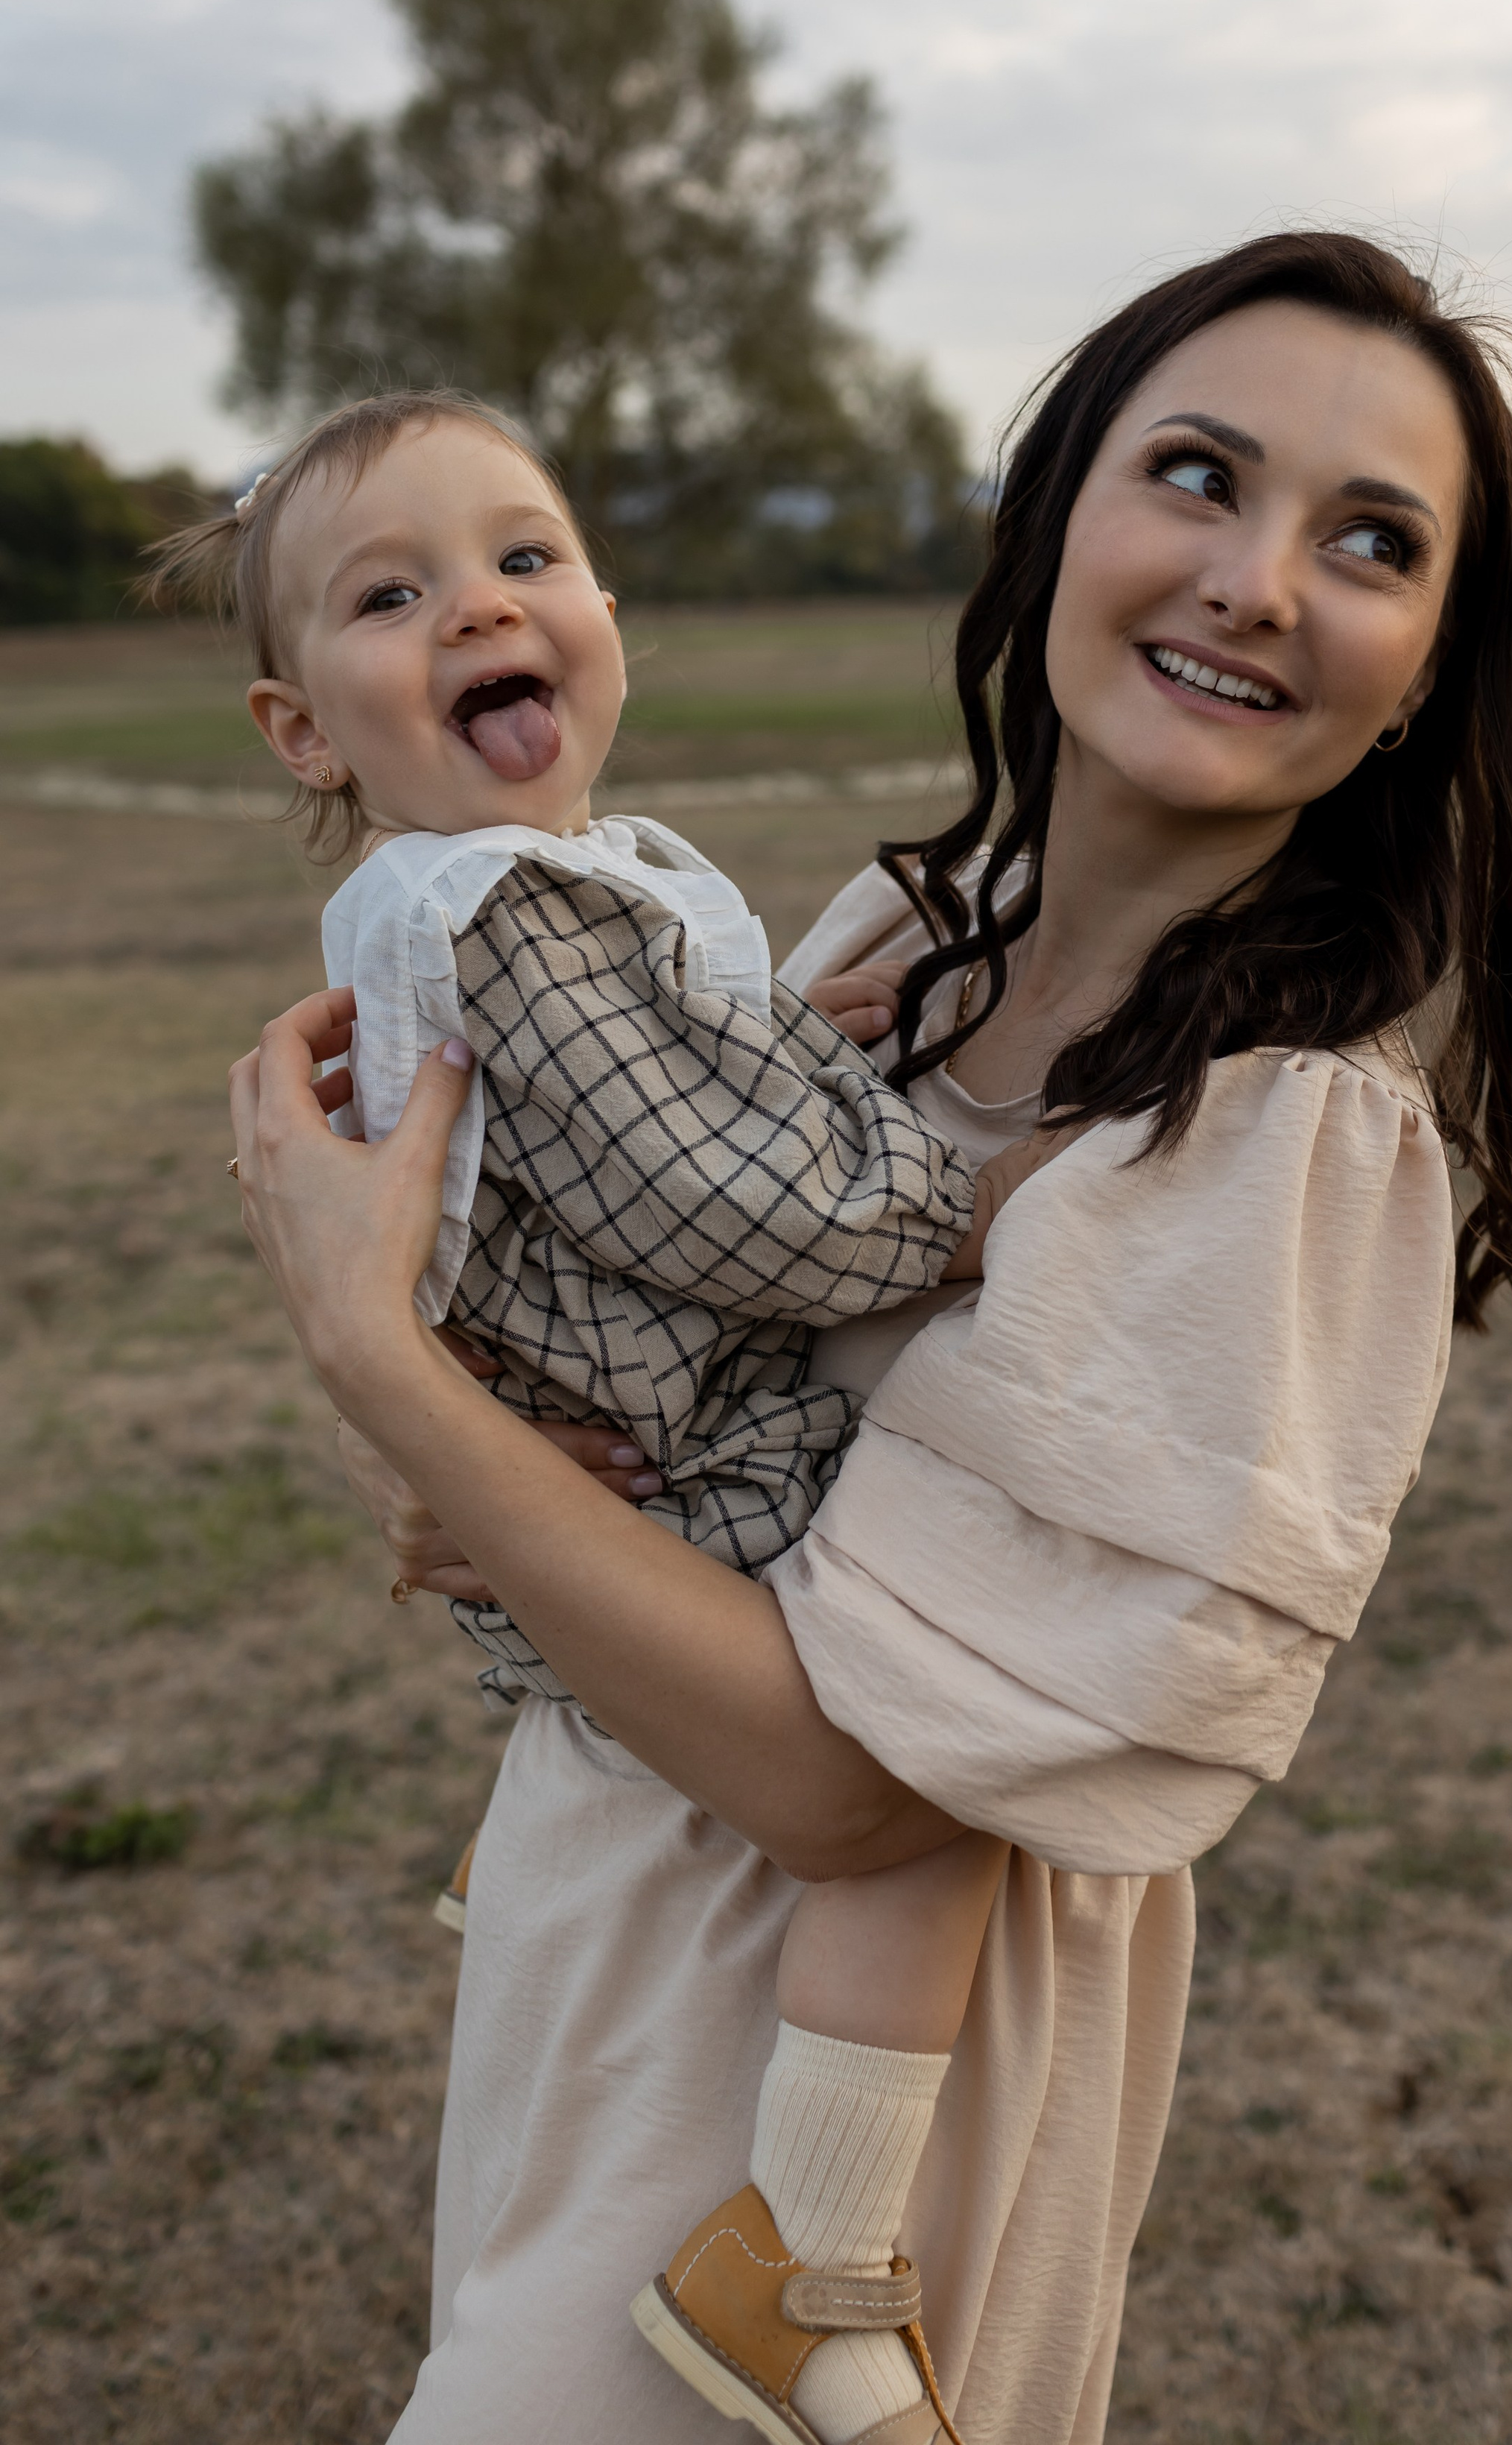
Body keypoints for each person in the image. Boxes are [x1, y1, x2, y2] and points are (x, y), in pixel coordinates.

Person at [227, 231, 1512, 2445]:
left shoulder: (1285, 1136)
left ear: (1423, 663)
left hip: (847, 2098)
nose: (1255, 579)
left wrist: (379, 1367)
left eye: (1368, 541)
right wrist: (458, 1427)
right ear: (1052, 520)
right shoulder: (904, 944)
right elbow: (605, 1324)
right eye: (1199, 476)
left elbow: (864, 1787)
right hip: (606, 1929)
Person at [154, 390, 1068, 2444]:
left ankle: (575, 1882)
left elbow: (661, 1110)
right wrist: (957, 1206)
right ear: (302, 726)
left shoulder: (540, 894)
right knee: (953, 1775)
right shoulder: (509, 913)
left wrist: (775, 1044)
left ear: (604, 608)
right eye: (394, 596)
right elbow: (710, 1198)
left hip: (597, 1467)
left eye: (524, 558)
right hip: (683, 1468)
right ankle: (809, 2271)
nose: (480, 605)